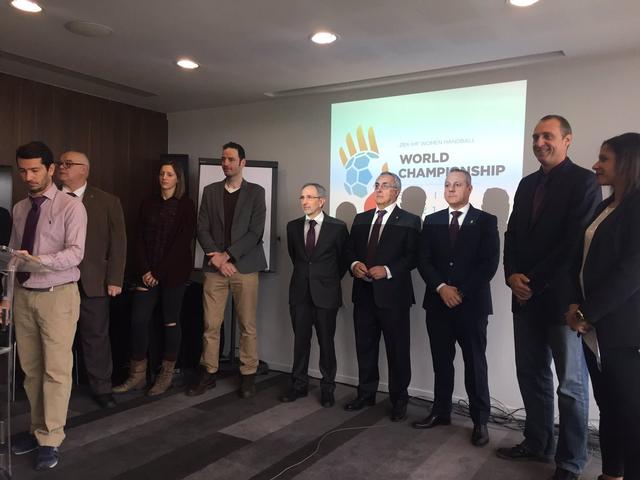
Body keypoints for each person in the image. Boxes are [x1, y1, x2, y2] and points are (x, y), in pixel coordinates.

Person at [499, 115, 601, 480]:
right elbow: (512, 234)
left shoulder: (585, 181)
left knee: (571, 385)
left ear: (567, 140)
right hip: (524, 297)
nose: (539, 142)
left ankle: (570, 461)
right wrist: (511, 274)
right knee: (531, 374)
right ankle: (537, 441)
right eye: (535, 137)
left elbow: (573, 242)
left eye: (547, 136)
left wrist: (532, 281)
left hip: (562, 300)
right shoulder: (526, 183)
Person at [565, 132, 640, 480]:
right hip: (595, 330)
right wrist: (575, 304)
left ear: (628, 162)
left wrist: (586, 313)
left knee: (631, 415)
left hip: (623, 332)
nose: (595, 164)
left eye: (604, 158)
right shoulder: (606, 205)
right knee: (609, 407)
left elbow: (631, 272)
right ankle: (611, 474)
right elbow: (582, 261)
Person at [9, 141, 87, 470]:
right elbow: (14, 257)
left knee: (56, 371)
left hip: (58, 296)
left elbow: (76, 253)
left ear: (51, 169)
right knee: (31, 371)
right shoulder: (19, 209)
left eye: (35, 170)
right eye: (23, 171)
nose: (28, 177)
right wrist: (7, 296)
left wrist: (39, 261)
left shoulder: (71, 207)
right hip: (24, 296)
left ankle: (51, 438)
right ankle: (36, 429)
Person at [414, 168, 499, 447]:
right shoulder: (432, 220)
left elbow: (489, 264)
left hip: (471, 305)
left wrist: (460, 292)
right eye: (447, 184)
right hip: (438, 303)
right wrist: (441, 288)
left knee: (475, 364)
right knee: (441, 362)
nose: (451, 189)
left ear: (469, 189)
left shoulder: (486, 220)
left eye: (457, 185)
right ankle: (441, 412)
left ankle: (480, 421)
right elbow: (424, 260)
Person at [189, 142, 266, 398]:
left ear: (243, 162)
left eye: (231, 159)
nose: (226, 163)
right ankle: (208, 372)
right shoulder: (210, 191)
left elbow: (255, 232)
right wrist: (219, 259)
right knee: (211, 324)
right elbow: (202, 228)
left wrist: (228, 256)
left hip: (245, 266)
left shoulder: (256, 192)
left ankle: (248, 374)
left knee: (247, 324)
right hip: (215, 268)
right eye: (223, 159)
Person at [113, 160, 195, 396]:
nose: (164, 178)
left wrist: (158, 272)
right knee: (138, 321)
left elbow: (182, 244)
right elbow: (138, 238)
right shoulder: (147, 203)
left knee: (170, 322)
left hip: (173, 273)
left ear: (178, 179)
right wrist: (146, 270)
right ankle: (137, 375)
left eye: (169, 174)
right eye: (162, 173)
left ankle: (166, 375)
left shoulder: (186, 205)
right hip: (146, 272)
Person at [343, 172, 421, 421]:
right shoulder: (361, 218)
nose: (378, 189)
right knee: (365, 347)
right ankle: (366, 394)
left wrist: (387, 270)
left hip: (393, 298)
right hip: (363, 295)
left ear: (396, 191)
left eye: (385, 186)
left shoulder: (410, 220)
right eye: (377, 185)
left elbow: (413, 256)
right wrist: (354, 264)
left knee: (397, 351)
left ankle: (399, 400)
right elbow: (349, 250)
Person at [58, 150, 127, 409]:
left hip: (94, 281)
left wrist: (115, 279)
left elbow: (119, 243)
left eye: (68, 163)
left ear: (84, 170)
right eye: (60, 163)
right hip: (56, 281)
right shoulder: (50, 199)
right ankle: (58, 391)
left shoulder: (108, 201)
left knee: (96, 336)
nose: (62, 167)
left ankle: (102, 388)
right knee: (57, 339)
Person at [280, 183, 348, 407]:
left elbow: (342, 261)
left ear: (322, 201)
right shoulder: (292, 227)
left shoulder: (337, 227)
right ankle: (298, 385)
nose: (305, 201)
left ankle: (327, 388)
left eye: (310, 197)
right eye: (302, 197)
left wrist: (325, 280)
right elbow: (296, 258)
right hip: (299, 292)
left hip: (326, 294)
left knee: (326, 342)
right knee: (300, 342)